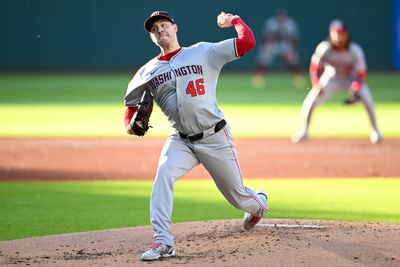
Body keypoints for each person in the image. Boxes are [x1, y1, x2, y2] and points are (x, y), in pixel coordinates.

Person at [124, 11, 268, 261]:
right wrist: (130, 124)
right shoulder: (146, 72)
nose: (160, 30)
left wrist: (233, 21)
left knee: (237, 196)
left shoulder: (203, 52)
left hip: (214, 136)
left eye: (164, 25)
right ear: (151, 37)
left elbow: (247, 42)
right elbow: (130, 108)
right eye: (154, 28)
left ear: (175, 28)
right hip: (181, 139)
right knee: (164, 175)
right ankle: (163, 241)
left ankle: (258, 204)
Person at [292, 19, 383, 144]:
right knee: (310, 102)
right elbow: (315, 67)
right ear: (331, 34)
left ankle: (375, 131)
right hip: (331, 78)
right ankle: (304, 131)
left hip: (351, 78)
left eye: (342, 33)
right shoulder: (324, 48)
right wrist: (317, 83)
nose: (339, 36)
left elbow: (361, 73)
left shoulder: (355, 50)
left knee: (368, 100)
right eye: (337, 33)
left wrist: (356, 87)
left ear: (347, 34)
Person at [252, 8, 304, 89]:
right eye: (279, 17)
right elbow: (266, 38)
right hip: (273, 43)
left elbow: (293, 39)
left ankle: (298, 78)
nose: (281, 19)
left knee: (293, 58)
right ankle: (259, 78)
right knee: (264, 56)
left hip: (284, 43)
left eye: (282, 17)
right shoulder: (271, 23)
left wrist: (291, 49)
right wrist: (266, 48)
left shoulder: (290, 23)